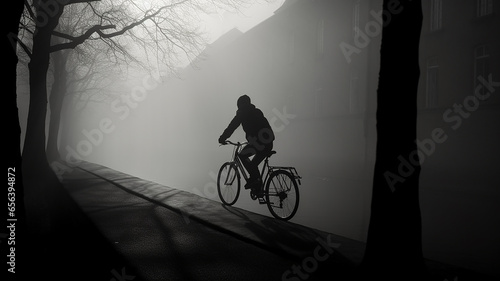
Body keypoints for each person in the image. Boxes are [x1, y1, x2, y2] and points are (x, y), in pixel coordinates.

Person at [218, 95, 275, 196]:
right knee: (253, 165)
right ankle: (258, 186)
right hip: (268, 143)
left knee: (242, 155)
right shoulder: (257, 111)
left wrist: (222, 138)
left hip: (260, 143)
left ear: (241, 105)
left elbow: (232, 126)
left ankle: (256, 182)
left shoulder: (243, 113)